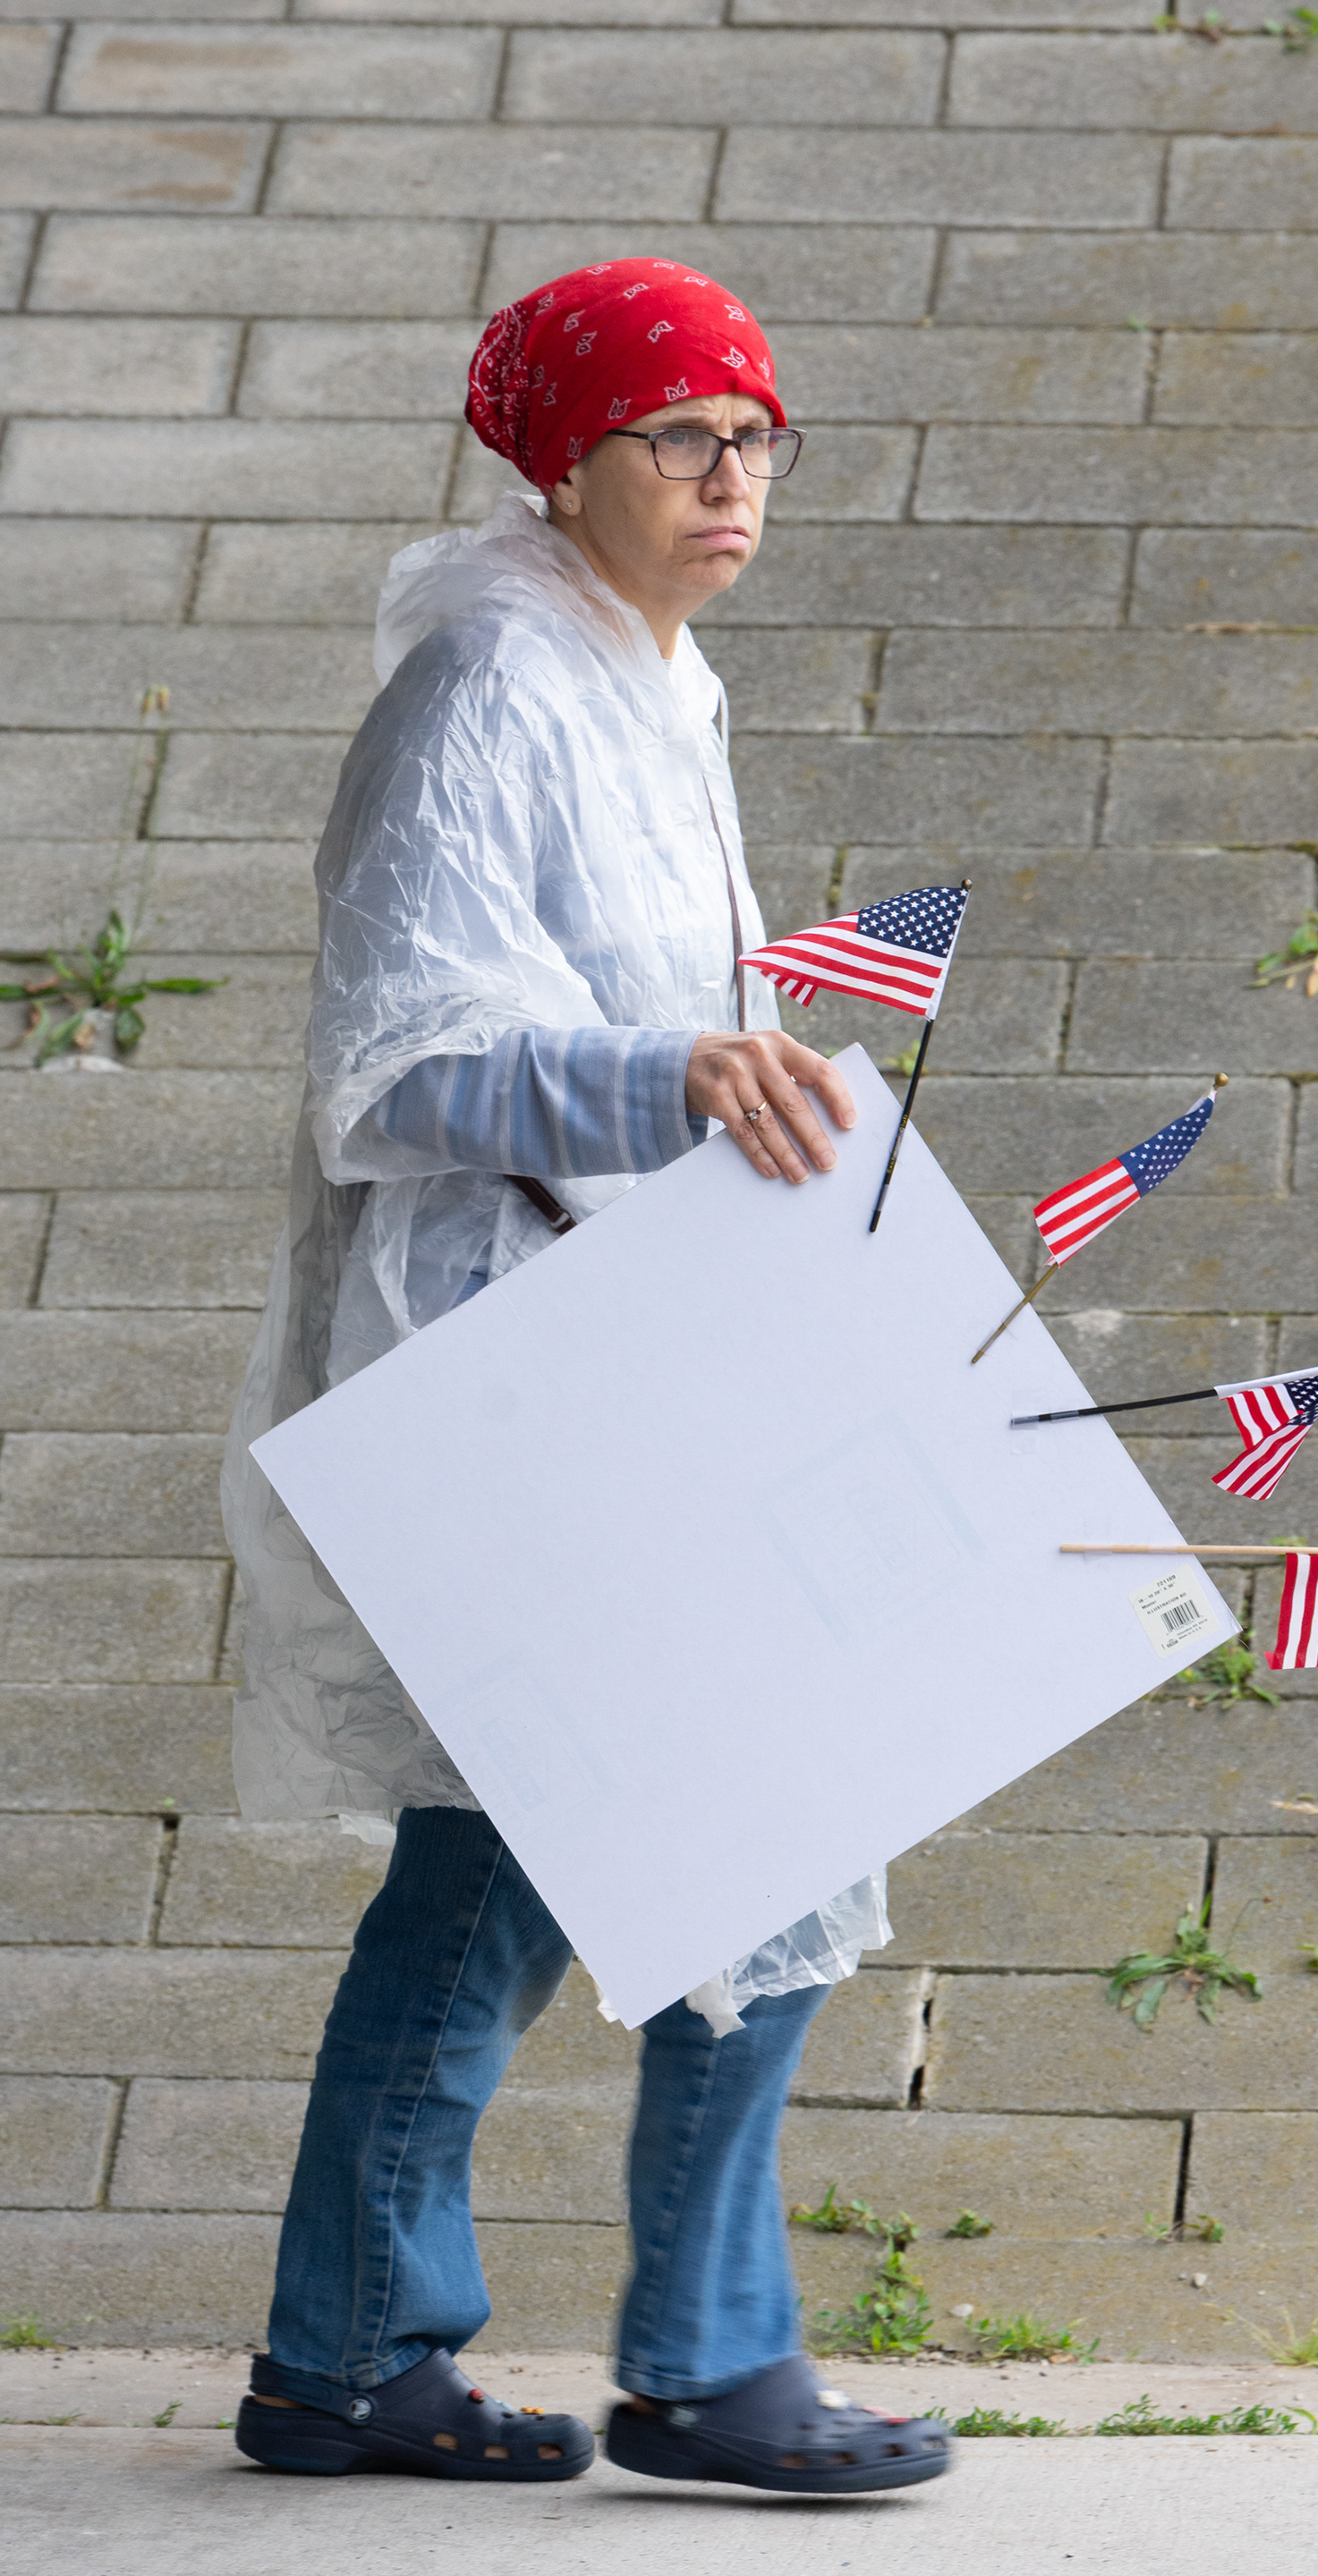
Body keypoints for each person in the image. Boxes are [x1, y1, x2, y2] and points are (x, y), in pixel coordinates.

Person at [219, 260, 951, 2498]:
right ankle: (704, 2366)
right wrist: (677, 1072)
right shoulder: (486, 685)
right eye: (678, 436)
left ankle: (352, 2360)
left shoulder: (649, 675)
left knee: (495, 1868)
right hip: (515, 1359)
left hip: (627, 1344)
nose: (734, 476)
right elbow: (393, 1063)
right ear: (563, 459)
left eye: (757, 434)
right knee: (762, 1799)